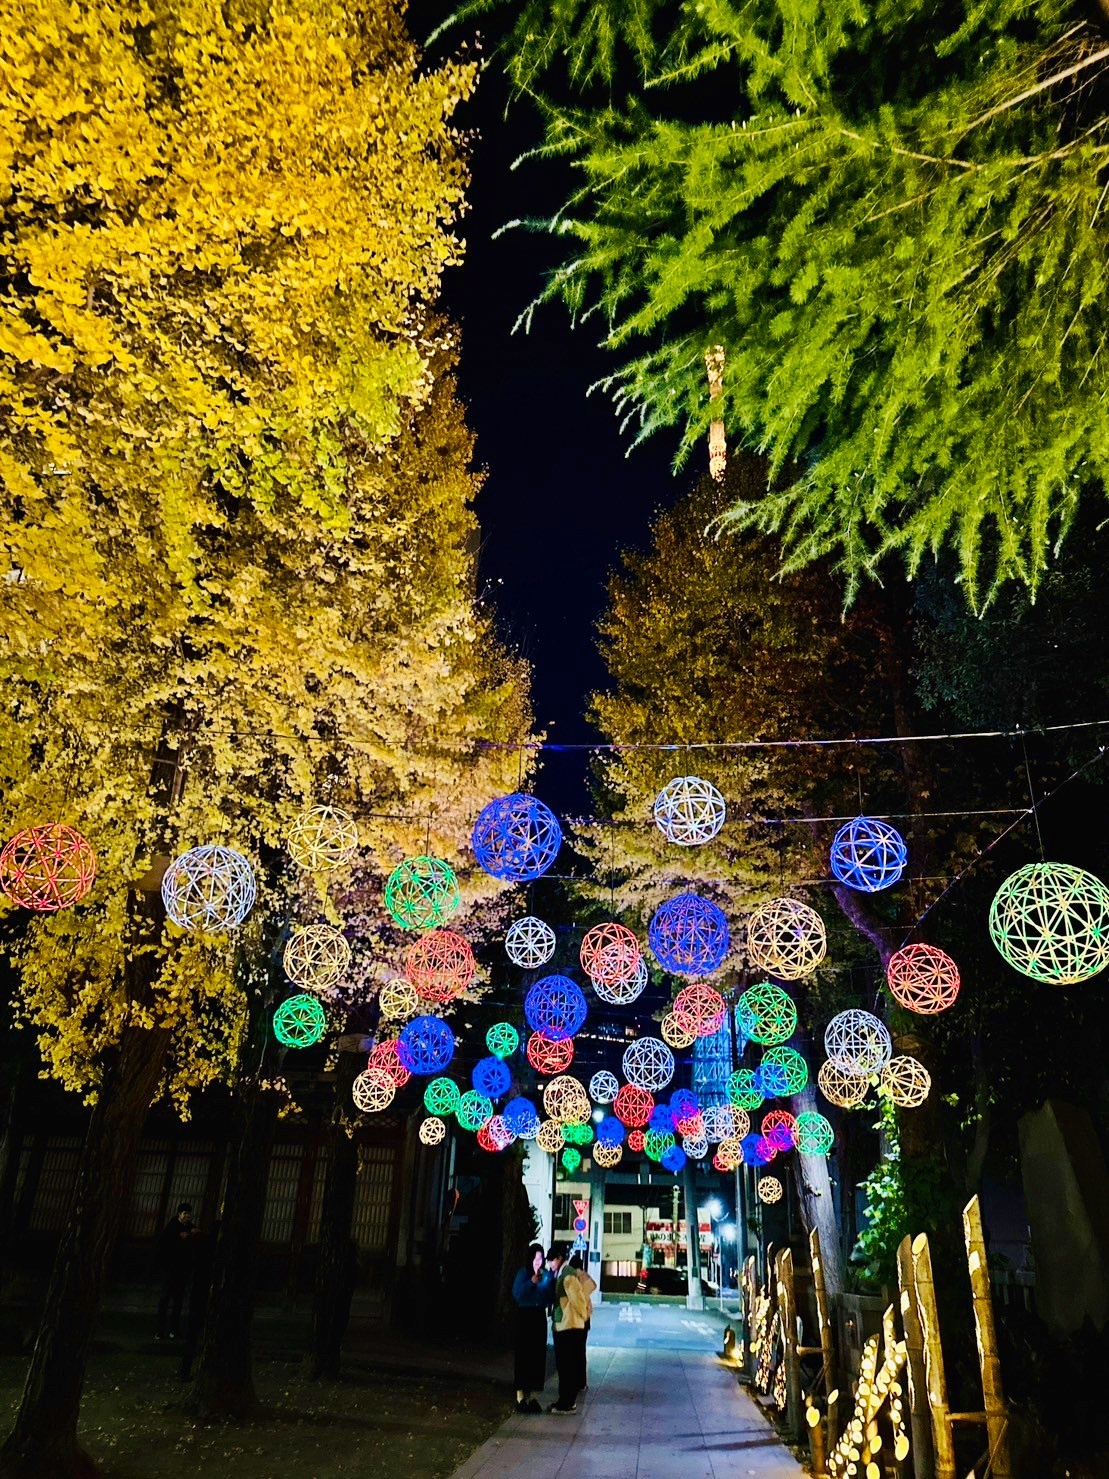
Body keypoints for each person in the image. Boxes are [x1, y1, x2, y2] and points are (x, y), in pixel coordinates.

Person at [546, 1242, 596, 1414]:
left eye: (551, 1260)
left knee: (566, 1365)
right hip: (565, 1325)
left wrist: (583, 1316)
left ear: (559, 1258)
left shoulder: (567, 1276)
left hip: (568, 1326)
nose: (550, 1264)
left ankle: (567, 1402)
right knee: (565, 1365)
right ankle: (564, 1400)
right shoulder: (562, 1274)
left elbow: (578, 1299)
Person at [511, 1243, 553, 1413]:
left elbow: (550, 1296)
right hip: (525, 1316)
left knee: (537, 1356)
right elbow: (517, 1294)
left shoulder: (546, 1275)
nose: (538, 1262)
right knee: (523, 1355)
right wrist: (531, 1283)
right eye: (536, 1258)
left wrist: (546, 1287)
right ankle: (520, 1396)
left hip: (538, 1316)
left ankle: (534, 1395)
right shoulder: (523, 1273)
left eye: (541, 1258)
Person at [156, 1201, 198, 1341]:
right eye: (185, 1214)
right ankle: (160, 1330)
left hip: (182, 1270)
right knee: (165, 1299)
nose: (187, 1216)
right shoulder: (172, 1227)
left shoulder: (190, 1227)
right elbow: (163, 1243)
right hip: (169, 1269)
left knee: (178, 1301)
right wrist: (179, 1237)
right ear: (179, 1214)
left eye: (189, 1214)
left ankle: (174, 1330)